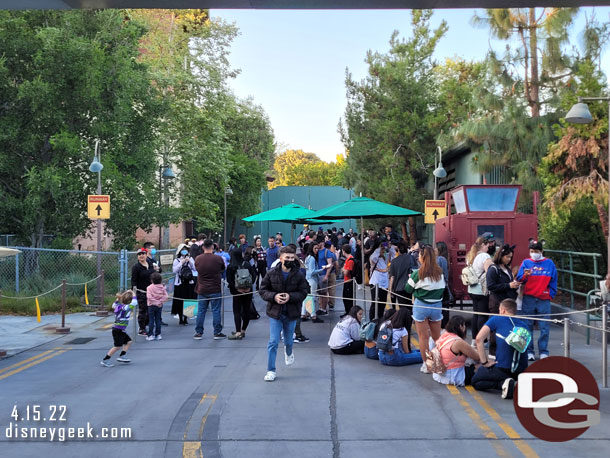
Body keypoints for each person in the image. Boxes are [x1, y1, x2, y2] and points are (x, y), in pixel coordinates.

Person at [260, 246, 309, 382]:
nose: (289, 260)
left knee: (288, 341)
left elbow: (304, 291)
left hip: (291, 313)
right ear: (280, 258)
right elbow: (263, 290)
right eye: (287, 258)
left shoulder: (299, 275)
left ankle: (288, 352)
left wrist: (290, 296)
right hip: (275, 313)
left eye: (292, 258)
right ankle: (271, 370)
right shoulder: (271, 274)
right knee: (273, 341)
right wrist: (274, 296)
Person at [472, 299, 529, 399]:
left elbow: (478, 339)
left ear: (502, 310)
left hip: (503, 368)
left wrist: (485, 362)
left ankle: (503, 384)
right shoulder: (524, 325)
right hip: (521, 369)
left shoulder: (497, 319)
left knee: (476, 381)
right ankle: (515, 383)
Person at [405, 245, 446, 373]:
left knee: (423, 337)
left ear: (422, 257)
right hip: (436, 306)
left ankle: (427, 365)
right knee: (436, 337)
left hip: (421, 306)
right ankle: (438, 363)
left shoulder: (418, 274)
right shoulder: (439, 273)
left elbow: (407, 289)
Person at [516, 240, 558, 361]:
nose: (534, 253)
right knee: (527, 325)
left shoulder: (549, 263)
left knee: (544, 326)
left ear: (541, 251)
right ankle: (529, 351)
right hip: (528, 297)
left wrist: (551, 293)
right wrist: (525, 276)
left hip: (544, 299)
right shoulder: (526, 262)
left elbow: (554, 280)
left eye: (536, 251)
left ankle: (543, 351)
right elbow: (519, 278)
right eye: (532, 251)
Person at [487, 244, 520, 355]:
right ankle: (493, 352)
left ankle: (504, 351)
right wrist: (508, 285)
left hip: (508, 301)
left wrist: (514, 285)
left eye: (511, 257)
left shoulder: (507, 269)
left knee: (507, 327)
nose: (509, 259)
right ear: (501, 255)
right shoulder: (493, 269)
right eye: (507, 257)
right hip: (497, 302)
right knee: (496, 328)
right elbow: (490, 286)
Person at [432, 316, 481, 386]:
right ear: (461, 327)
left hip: (439, 374)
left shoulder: (443, 336)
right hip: (453, 375)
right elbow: (478, 357)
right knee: (481, 367)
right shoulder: (458, 342)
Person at [193, 239, 226, 340]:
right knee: (216, 311)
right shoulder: (218, 258)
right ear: (212, 247)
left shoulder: (198, 259)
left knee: (201, 311)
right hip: (215, 288)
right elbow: (223, 268)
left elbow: (196, 269)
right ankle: (217, 332)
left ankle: (199, 332)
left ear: (203, 247)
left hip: (202, 288)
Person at [467, 233, 495, 342]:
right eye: (487, 245)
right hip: (481, 290)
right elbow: (490, 272)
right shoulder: (484, 256)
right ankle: (482, 339)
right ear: (483, 244)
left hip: (472, 289)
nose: (489, 248)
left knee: (476, 314)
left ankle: (474, 338)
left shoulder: (471, 255)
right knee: (483, 315)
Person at [226, 249, 257, 340]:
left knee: (237, 312)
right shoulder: (247, 264)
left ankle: (238, 332)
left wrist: (237, 288)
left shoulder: (231, 266)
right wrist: (249, 286)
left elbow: (229, 280)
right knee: (246, 310)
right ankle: (243, 330)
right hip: (248, 291)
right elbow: (254, 275)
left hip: (237, 292)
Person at [100, 290, 135, 367]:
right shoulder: (127, 307)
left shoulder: (117, 306)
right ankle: (105, 360)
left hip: (120, 330)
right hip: (118, 330)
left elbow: (114, 304)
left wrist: (120, 297)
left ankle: (122, 356)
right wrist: (133, 293)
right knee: (117, 346)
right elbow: (134, 303)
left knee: (128, 341)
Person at [131, 248, 155, 336]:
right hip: (141, 291)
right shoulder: (136, 267)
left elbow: (156, 274)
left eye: (143, 254)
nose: (141, 255)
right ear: (137, 256)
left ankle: (147, 324)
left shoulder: (150, 264)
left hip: (152, 291)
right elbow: (133, 280)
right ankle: (142, 328)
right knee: (143, 310)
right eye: (139, 254)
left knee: (151, 309)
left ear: (146, 254)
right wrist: (134, 292)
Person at [172, 243, 196, 325]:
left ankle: (186, 318)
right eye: (183, 250)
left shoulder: (190, 259)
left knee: (188, 300)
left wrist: (190, 262)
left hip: (189, 282)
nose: (185, 251)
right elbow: (174, 270)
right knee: (179, 301)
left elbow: (195, 268)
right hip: (179, 283)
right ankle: (180, 318)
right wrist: (181, 263)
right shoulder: (176, 260)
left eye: (186, 249)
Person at [304, 242, 329, 323]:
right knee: (312, 298)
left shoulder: (308, 257)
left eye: (317, 248)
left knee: (308, 297)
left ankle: (304, 314)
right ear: (311, 249)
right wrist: (322, 269)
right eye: (315, 248)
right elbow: (312, 271)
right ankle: (313, 315)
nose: (317, 250)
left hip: (308, 278)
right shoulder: (312, 258)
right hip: (312, 279)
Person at [369, 241, 391, 321]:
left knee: (383, 302)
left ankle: (380, 319)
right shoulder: (374, 257)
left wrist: (388, 246)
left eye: (384, 250)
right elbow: (373, 258)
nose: (383, 251)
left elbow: (392, 254)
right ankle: (372, 320)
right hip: (375, 282)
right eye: (382, 250)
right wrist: (379, 248)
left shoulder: (386, 258)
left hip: (384, 284)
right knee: (375, 303)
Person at [146, 272, 168, 341]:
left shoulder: (149, 288)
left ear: (151, 280)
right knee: (158, 320)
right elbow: (166, 296)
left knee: (151, 320)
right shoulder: (162, 287)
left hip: (151, 305)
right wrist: (160, 301)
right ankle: (158, 334)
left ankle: (150, 335)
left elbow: (149, 297)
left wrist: (155, 302)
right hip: (159, 306)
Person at [316, 240, 334, 315]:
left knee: (324, 293)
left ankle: (324, 309)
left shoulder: (327, 252)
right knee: (320, 293)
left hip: (323, 274)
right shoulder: (317, 252)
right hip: (317, 274)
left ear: (322, 243)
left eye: (319, 242)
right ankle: (321, 308)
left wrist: (326, 276)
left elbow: (330, 264)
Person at [436, 241, 451, 327]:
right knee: (445, 307)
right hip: (444, 284)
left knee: (442, 307)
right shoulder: (444, 259)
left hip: (440, 285)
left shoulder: (440, 259)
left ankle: (442, 325)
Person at [341, 245, 356, 315]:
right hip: (346, 281)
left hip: (349, 281)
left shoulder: (350, 260)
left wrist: (343, 269)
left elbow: (346, 273)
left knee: (348, 298)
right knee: (345, 297)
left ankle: (349, 313)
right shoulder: (348, 259)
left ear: (344, 251)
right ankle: (347, 312)